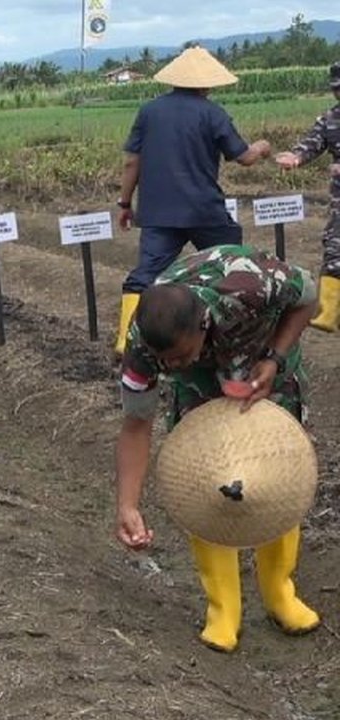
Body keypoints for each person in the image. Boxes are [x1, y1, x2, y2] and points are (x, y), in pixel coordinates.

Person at [115, 244, 321, 653]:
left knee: (276, 475)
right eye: (164, 361)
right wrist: (128, 505)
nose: (171, 366)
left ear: (203, 325)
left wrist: (274, 357)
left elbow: (309, 297)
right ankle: (224, 610)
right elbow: (136, 425)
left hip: (263, 363)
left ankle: (279, 593)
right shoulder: (143, 346)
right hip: (204, 384)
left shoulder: (249, 284)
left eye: (179, 356)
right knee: (204, 479)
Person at [114, 46, 273, 355]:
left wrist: (124, 203)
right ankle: (233, 334)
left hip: (158, 212)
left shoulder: (148, 112)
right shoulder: (213, 113)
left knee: (145, 274)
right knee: (231, 263)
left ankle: (127, 341)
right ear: (207, 83)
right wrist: (262, 147)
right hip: (204, 210)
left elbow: (132, 162)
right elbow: (244, 158)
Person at [275, 61, 340, 331]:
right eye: (336, 89)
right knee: (335, 247)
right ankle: (329, 313)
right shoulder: (330, 118)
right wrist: (297, 157)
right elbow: (313, 143)